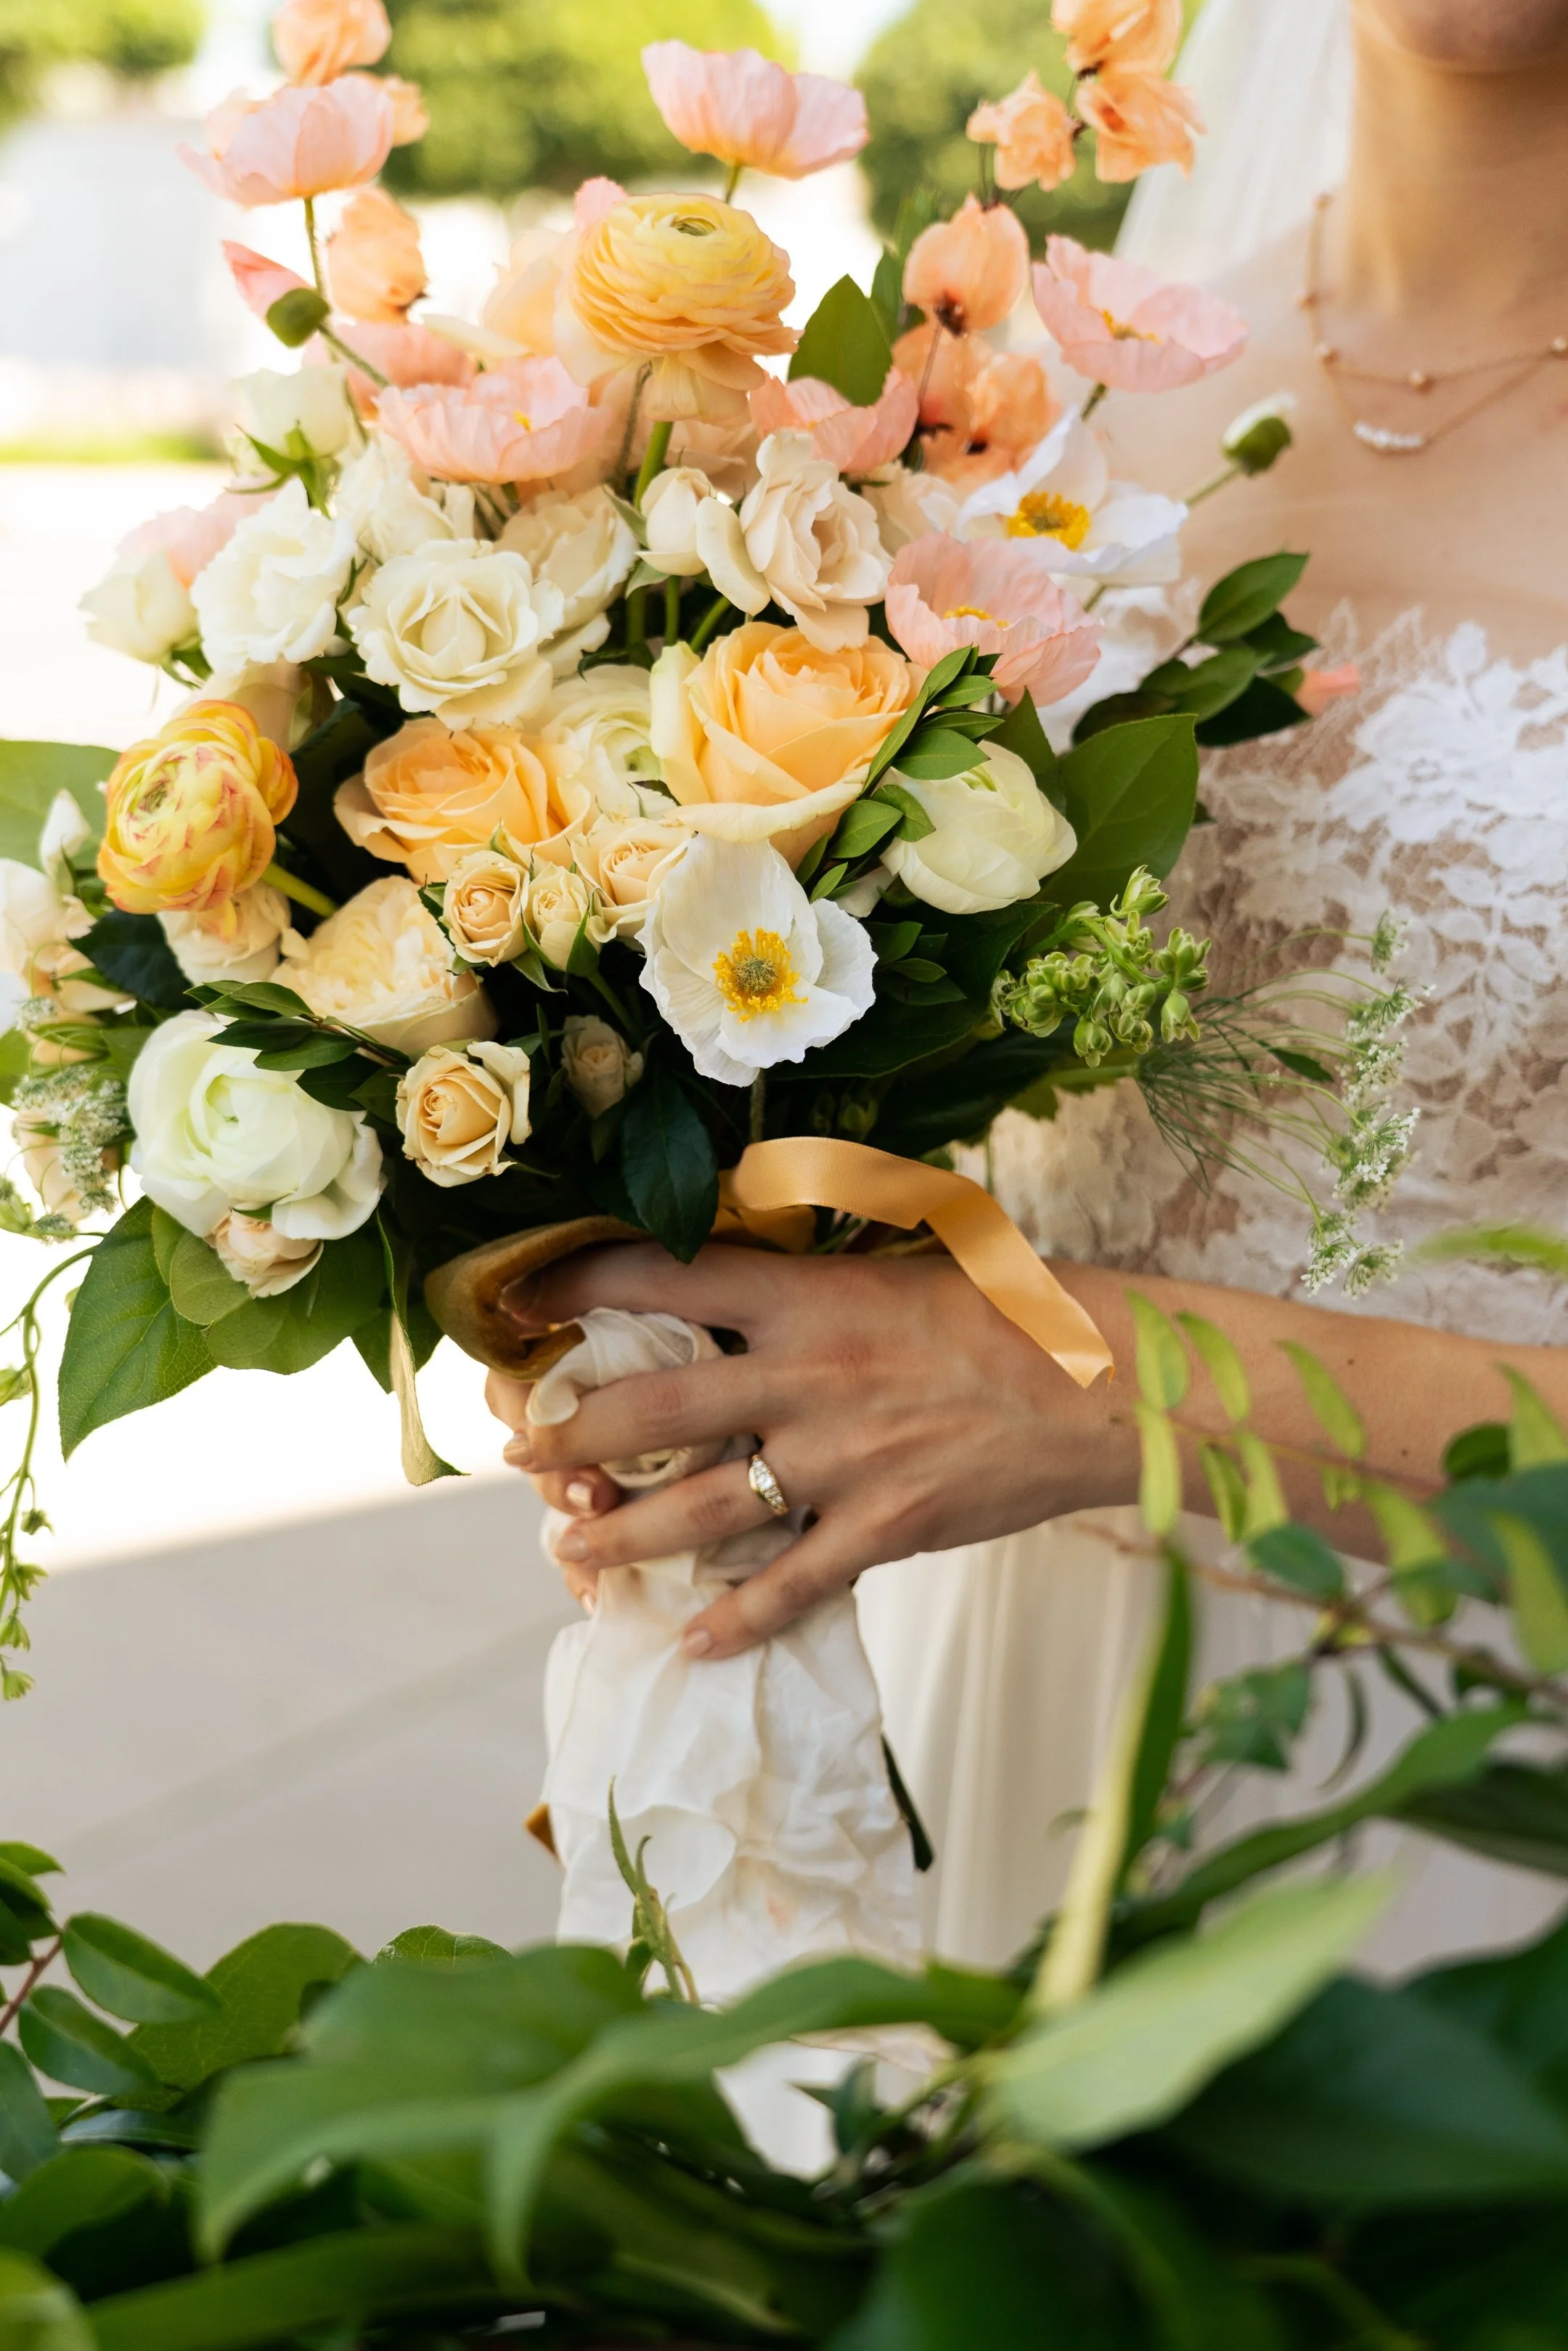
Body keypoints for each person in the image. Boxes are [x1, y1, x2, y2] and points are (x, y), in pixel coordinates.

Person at [487, 0, 1568, 1966]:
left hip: (1484, 1807)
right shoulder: (1033, 420)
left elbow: (1049, 1352)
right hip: (988, 1705)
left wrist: (1110, 1383)